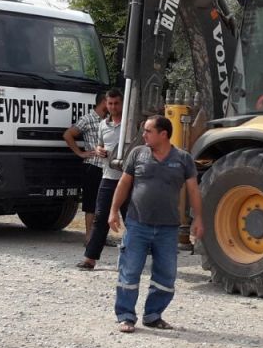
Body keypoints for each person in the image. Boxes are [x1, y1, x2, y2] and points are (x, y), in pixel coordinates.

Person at [108, 115, 204, 333]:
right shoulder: (137, 154)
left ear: (163, 134)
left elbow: (193, 191)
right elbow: (124, 184)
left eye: (148, 131)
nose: (144, 135)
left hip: (168, 228)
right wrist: (113, 211)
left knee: (166, 275)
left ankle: (153, 315)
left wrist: (198, 218)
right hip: (137, 224)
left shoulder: (183, 159)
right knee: (129, 271)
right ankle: (125, 316)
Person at [75, 89, 124, 270]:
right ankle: (90, 258)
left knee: (131, 220)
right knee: (100, 217)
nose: (112, 107)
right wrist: (98, 150)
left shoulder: (130, 124)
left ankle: (132, 259)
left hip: (126, 179)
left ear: (122, 103)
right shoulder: (103, 125)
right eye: (110, 104)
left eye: (116, 103)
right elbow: (100, 145)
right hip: (107, 176)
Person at [63, 91, 109, 242]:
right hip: (92, 166)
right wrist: (80, 153)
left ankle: (100, 236)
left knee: (104, 203)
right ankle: (89, 236)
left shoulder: (109, 120)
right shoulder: (87, 119)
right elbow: (68, 134)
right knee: (91, 203)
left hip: (107, 167)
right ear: (103, 102)